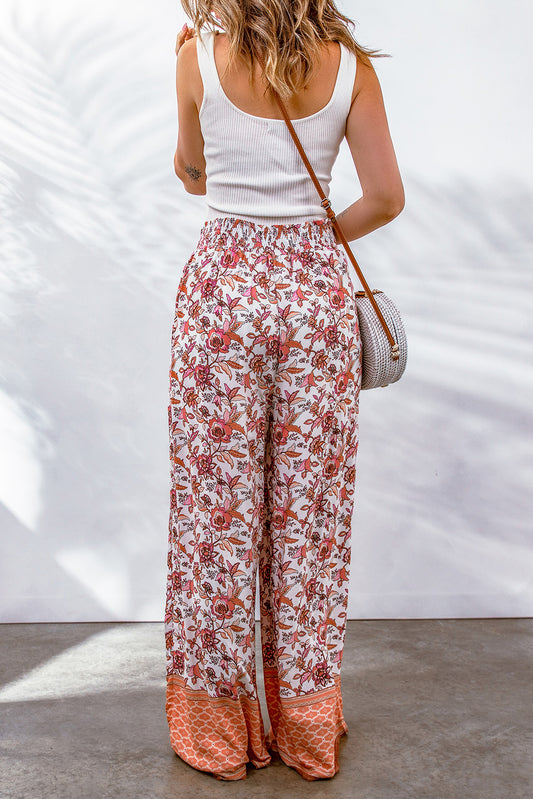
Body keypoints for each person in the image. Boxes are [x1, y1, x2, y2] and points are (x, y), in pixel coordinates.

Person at [165, 0, 404, 782]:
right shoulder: (351, 67)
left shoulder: (195, 55)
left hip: (221, 300)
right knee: (308, 517)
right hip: (313, 304)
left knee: (216, 515)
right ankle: (304, 727)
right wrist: (308, 236)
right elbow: (384, 197)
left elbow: (192, 175)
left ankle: (218, 729)